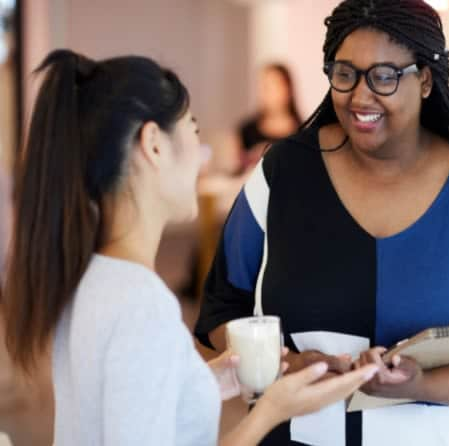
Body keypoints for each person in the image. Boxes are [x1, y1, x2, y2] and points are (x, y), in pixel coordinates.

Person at [194, 1, 449, 445]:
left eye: (384, 76)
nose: (361, 96)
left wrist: (419, 384)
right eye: (345, 73)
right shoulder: (282, 174)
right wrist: (283, 362)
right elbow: (224, 309)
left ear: (424, 79)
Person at [0, 49, 379, 446]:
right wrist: (271, 412)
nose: (200, 158)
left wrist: (218, 377)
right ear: (154, 144)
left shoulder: (91, 278)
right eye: (193, 131)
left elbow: (131, 398)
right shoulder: (142, 306)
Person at [226, 63, 302, 175]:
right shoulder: (246, 130)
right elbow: (234, 170)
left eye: (273, 86)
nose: (266, 93)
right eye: (263, 87)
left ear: (288, 89)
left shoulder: (305, 132)